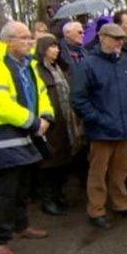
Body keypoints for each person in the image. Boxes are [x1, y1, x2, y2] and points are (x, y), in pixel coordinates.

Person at [0, 22, 53, 254]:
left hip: (25, 132)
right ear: (8, 41)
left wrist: (46, 116)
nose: (30, 42)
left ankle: (21, 224)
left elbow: (41, 94)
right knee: (7, 189)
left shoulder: (29, 65)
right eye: (24, 38)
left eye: (30, 38)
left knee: (23, 185)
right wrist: (34, 122)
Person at [70, 23, 127, 230]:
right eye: (116, 39)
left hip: (124, 127)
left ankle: (121, 204)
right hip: (101, 130)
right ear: (103, 38)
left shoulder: (124, 62)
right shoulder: (89, 64)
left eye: (122, 39)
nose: (120, 43)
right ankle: (96, 210)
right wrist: (99, 119)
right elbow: (78, 99)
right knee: (98, 173)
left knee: (120, 171)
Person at [33, 35, 80, 216]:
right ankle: (48, 199)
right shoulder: (37, 70)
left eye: (57, 47)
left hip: (67, 119)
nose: (56, 50)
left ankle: (59, 194)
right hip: (50, 121)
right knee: (48, 163)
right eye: (52, 47)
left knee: (64, 160)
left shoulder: (62, 68)